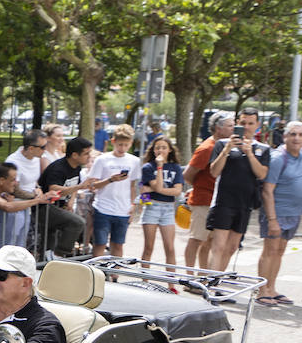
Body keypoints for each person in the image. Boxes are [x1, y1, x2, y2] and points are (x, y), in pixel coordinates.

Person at [206, 107, 269, 274]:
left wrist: (249, 153)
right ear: (237, 124)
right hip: (223, 202)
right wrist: (227, 150)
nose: (246, 127)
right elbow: (214, 171)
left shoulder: (262, 149)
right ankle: (211, 283)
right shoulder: (222, 144)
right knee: (218, 245)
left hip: (245, 203)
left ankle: (217, 279)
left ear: (257, 125)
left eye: (250, 123)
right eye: (242, 123)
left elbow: (262, 173)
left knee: (232, 246)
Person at [255, 121, 302, 306]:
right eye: (292, 134)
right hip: (276, 213)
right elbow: (267, 190)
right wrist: (272, 220)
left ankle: (271, 288)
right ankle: (262, 290)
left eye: (300, 135)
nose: (296, 138)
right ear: (285, 136)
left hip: (293, 213)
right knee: (270, 251)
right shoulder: (279, 157)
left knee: (279, 251)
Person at [87, 125, 141, 258]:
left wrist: (134, 205)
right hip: (103, 208)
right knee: (100, 243)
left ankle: (115, 273)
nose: (122, 148)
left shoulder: (134, 161)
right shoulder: (102, 159)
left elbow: (132, 186)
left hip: (123, 209)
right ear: (113, 142)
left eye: (126, 145)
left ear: (131, 144)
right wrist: (110, 180)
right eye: (120, 144)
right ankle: (97, 272)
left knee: (118, 244)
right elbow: (92, 185)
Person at [36, 136, 95, 258]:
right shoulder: (58, 168)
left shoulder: (76, 167)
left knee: (50, 238)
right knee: (77, 222)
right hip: (44, 206)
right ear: (74, 155)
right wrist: (79, 187)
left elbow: (73, 184)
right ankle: (60, 254)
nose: (89, 156)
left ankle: (48, 261)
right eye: (86, 153)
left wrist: (71, 201)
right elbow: (54, 190)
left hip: (59, 206)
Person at [184, 114, 230, 270]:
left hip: (216, 201)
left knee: (208, 241)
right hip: (203, 201)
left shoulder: (225, 146)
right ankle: (188, 276)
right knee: (196, 239)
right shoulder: (207, 148)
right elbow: (188, 175)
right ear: (219, 128)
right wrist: (198, 187)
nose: (234, 129)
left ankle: (202, 276)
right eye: (230, 126)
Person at [138, 136, 184, 267]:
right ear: (153, 150)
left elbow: (177, 191)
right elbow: (152, 188)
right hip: (152, 207)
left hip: (168, 209)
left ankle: (171, 283)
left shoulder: (175, 167)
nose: (160, 150)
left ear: (169, 150)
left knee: (170, 248)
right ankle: (145, 282)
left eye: (164, 147)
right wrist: (159, 167)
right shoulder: (148, 167)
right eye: (157, 147)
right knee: (148, 247)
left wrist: (152, 189)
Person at [3, 130, 48, 248]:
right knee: (9, 243)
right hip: (13, 205)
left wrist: (37, 188)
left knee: (21, 243)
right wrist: (35, 197)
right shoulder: (13, 161)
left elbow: (32, 181)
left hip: (26, 205)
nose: (45, 150)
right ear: (31, 148)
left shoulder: (36, 158)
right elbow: (13, 189)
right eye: (43, 147)